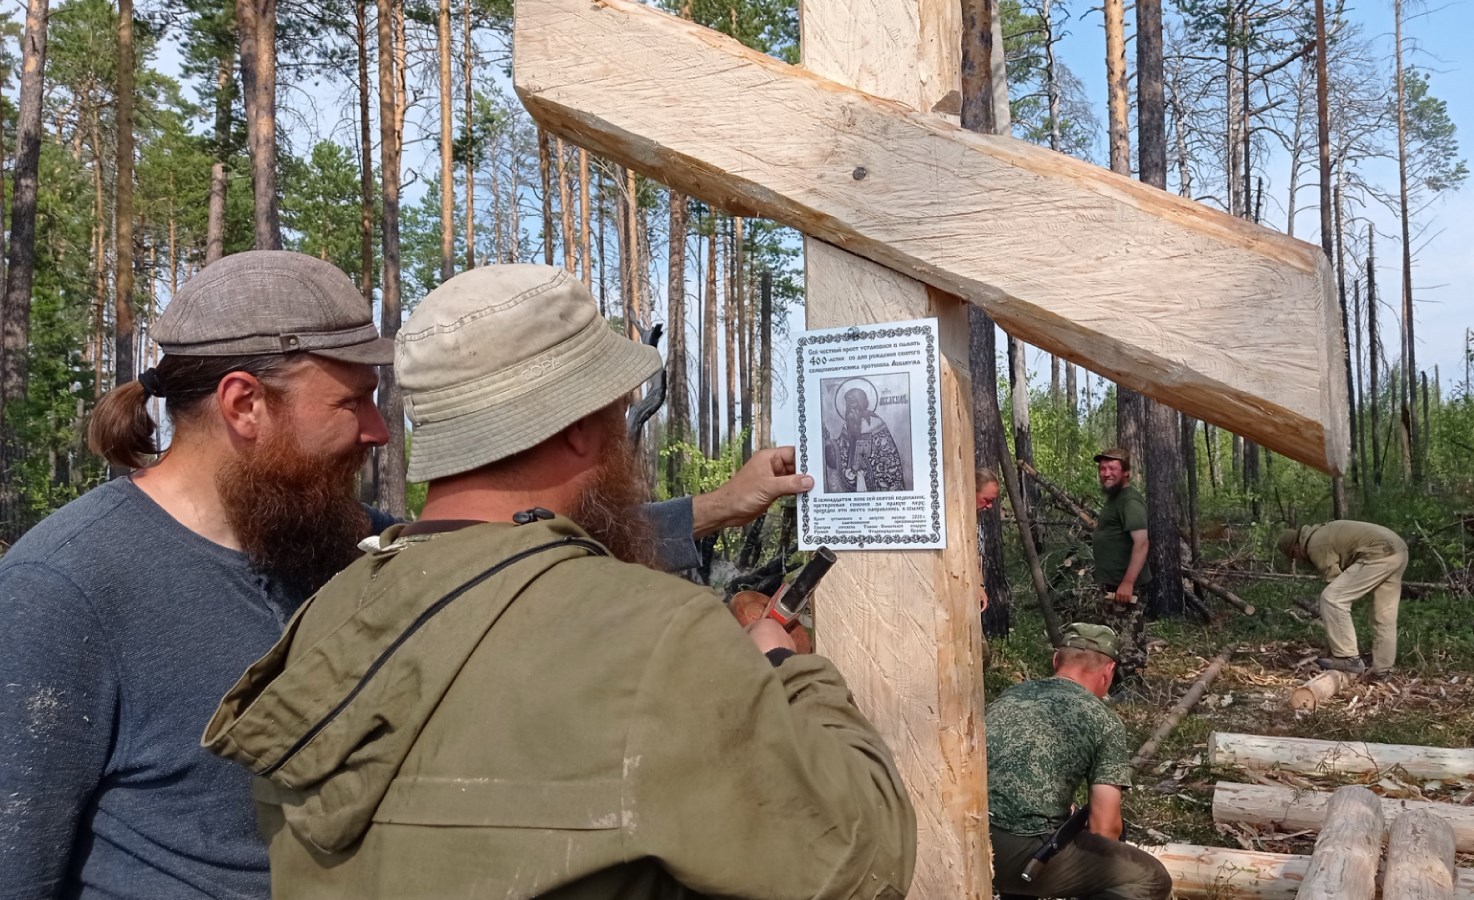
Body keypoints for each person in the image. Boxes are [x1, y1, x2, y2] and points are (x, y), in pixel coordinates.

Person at [0, 252, 809, 899]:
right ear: (246, 405)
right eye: (352, 402)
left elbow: (486, 550)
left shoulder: (334, 542)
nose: (381, 431)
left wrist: (717, 508)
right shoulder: (62, 592)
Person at [204, 263, 916, 898]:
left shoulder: (327, 614)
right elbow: (860, 863)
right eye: (616, 411)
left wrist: (721, 504)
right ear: (580, 425)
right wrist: (788, 670)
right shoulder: (656, 635)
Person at [986, 623, 1172, 900]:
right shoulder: (1104, 722)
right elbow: (1104, 827)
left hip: (966, 835)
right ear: (1108, 672)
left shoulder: (1008, 697)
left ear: (1055, 660)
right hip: (1019, 857)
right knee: (1151, 877)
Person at [1277, 521, 1409, 674]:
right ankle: (1383, 670)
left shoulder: (1315, 544)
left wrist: (1336, 645)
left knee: (1332, 599)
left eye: (1294, 555)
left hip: (1377, 553)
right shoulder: (1322, 533)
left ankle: (1348, 658)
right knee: (1383, 615)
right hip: (1398, 550)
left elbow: (1336, 586)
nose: (1297, 559)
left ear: (1295, 547)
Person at [1090, 447, 1151, 677]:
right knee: (1113, 634)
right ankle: (1114, 681)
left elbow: (1142, 542)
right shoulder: (1115, 499)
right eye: (1102, 468)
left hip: (1125, 587)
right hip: (1112, 585)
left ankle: (1132, 686)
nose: (1106, 473)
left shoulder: (1130, 501)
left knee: (1128, 638)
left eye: (1112, 468)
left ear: (1125, 472)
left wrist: (1128, 582)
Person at [824, 381, 906, 492]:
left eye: (852, 403)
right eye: (847, 404)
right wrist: (829, 442)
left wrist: (862, 467)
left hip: (876, 480)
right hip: (852, 477)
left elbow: (888, 456)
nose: (849, 407)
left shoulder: (876, 423)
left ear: (861, 403)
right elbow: (842, 449)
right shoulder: (847, 424)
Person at [976, 467, 1001, 613]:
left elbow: (978, 555)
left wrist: (979, 586)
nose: (990, 506)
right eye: (986, 500)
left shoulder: (977, 519)